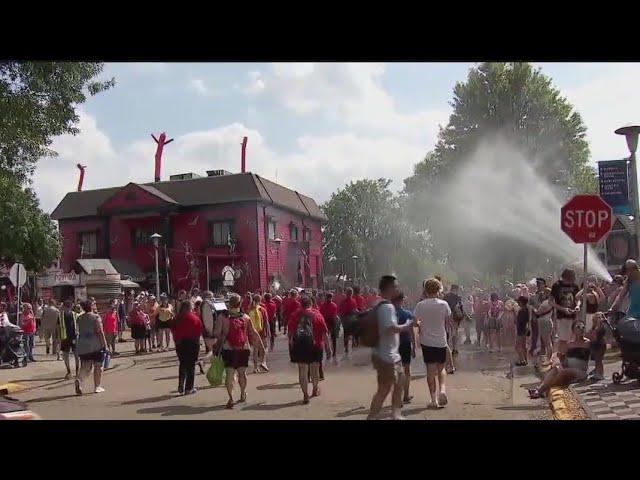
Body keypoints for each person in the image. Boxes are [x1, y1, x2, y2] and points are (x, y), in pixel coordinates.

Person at [367, 275, 414, 421]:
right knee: (384, 389)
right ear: (388, 288)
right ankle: (372, 417)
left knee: (399, 383)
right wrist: (407, 326)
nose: (397, 288)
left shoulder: (382, 304)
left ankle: (395, 414)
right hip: (386, 355)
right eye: (395, 286)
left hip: (392, 354)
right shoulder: (386, 307)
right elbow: (391, 328)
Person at [214, 294, 263, 409]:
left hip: (228, 348)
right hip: (243, 347)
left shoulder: (222, 317)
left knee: (229, 374)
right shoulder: (245, 317)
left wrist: (222, 337)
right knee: (242, 373)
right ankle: (243, 393)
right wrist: (261, 347)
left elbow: (216, 333)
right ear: (240, 304)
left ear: (228, 304)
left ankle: (230, 397)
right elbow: (253, 333)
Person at [528, 321, 591, 399]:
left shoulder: (588, 343)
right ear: (573, 331)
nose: (581, 329)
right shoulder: (570, 344)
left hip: (580, 372)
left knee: (564, 371)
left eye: (583, 327)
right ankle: (541, 389)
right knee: (556, 369)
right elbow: (562, 358)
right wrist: (559, 363)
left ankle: (540, 390)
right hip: (568, 370)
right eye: (578, 327)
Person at [414, 278, 450, 409]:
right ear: (439, 289)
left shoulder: (420, 305)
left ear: (425, 290)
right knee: (441, 368)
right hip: (441, 340)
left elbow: (414, 322)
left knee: (430, 370)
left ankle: (433, 399)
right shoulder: (444, 304)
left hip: (427, 341)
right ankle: (443, 390)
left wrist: (419, 324)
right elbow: (448, 321)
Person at [288, 295, 331, 404]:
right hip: (315, 345)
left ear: (300, 304)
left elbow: (290, 333)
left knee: (302, 371)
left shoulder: (295, 315)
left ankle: (305, 394)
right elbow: (324, 332)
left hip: (300, 346)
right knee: (315, 369)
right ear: (310, 304)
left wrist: (292, 346)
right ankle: (315, 389)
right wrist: (328, 347)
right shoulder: (317, 314)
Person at [74, 300, 108, 395]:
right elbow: (100, 332)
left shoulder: (79, 318)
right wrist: (105, 345)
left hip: (83, 344)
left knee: (85, 366)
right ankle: (97, 386)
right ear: (91, 306)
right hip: (95, 344)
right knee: (98, 366)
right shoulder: (96, 317)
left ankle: (79, 380)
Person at [170, 301, 203, 395]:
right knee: (191, 366)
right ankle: (189, 388)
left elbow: (173, 329)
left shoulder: (177, 318)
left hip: (180, 343)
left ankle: (181, 385)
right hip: (192, 343)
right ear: (189, 307)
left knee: (183, 364)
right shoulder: (194, 318)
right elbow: (199, 330)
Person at [392, 292, 417, 404]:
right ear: (402, 300)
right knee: (407, 371)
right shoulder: (408, 314)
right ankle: (405, 395)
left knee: (397, 372)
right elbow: (412, 332)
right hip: (406, 344)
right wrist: (414, 346)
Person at [550, 269, 580, 355]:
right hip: (562, 317)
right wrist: (563, 309)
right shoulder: (557, 286)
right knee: (563, 339)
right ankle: (562, 356)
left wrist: (577, 306)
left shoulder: (575, 286)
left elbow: (577, 299)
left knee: (574, 338)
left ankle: (571, 356)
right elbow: (551, 302)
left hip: (573, 317)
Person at [58, 300, 79, 380]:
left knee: (72, 355)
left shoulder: (74, 315)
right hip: (67, 338)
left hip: (68, 338)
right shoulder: (62, 315)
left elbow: (57, 327)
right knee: (70, 355)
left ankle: (72, 372)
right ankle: (71, 372)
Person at [248, 294, 269, 373]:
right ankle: (263, 362)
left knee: (255, 350)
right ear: (260, 300)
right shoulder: (262, 309)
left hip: (253, 332)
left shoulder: (250, 310)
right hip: (261, 331)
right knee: (264, 348)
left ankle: (255, 367)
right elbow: (266, 322)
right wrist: (268, 332)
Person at [533, 288, 554, 363]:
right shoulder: (551, 302)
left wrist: (533, 309)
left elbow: (538, 312)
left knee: (547, 342)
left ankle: (549, 359)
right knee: (548, 342)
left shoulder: (546, 302)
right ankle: (548, 358)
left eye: (544, 293)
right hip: (547, 322)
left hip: (545, 322)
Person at [443, 284, 464, 355]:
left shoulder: (445, 296)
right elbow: (461, 307)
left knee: (447, 331)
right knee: (455, 331)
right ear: (456, 289)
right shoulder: (458, 297)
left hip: (446, 316)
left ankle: (447, 347)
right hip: (455, 316)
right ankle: (454, 348)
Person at [319, 292, 340, 364]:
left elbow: (320, 314)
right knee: (333, 337)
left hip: (326, 321)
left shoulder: (322, 305)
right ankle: (333, 352)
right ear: (331, 298)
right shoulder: (334, 305)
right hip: (331, 321)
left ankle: (328, 352)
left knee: (325, 338)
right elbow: (335, 315)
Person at [339, 287, 359, 358]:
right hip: (346, 319)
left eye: (350, 293)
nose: (350, 294)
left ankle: (351, 345)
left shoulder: (353, 301)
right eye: (349, 293)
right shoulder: (343, 301)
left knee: (349, 333)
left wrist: (359, 313)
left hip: (350, 318)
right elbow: (340, 311)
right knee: (347, 334)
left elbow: (355, 309)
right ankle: (347, 347)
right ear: (346, 293)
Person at [515, 296, 530, 366]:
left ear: (522, 302)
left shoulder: (522, 311)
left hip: (521, 329)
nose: (518, 302)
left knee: (517, 346)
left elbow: (520, 321)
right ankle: (525, 360)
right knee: (524, 346)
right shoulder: (527, 309)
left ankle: (522, 360)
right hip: (524, 329)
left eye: (519, 301)